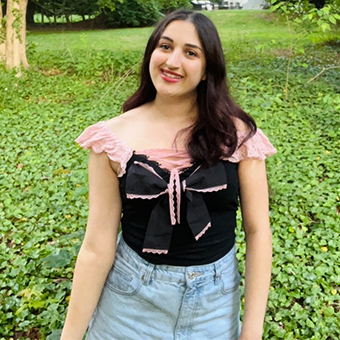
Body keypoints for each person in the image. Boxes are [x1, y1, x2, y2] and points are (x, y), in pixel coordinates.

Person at [61, 9, 276, 340]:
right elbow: (97, 245)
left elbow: (258, 232)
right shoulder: (111, 139)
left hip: (215, 305)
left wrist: (252, 330)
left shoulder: (238, 137)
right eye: (165, 46)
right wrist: (70, 336)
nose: (173, 62)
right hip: (129, 304)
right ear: (151, 53)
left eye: (191, 52)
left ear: (207, 70)